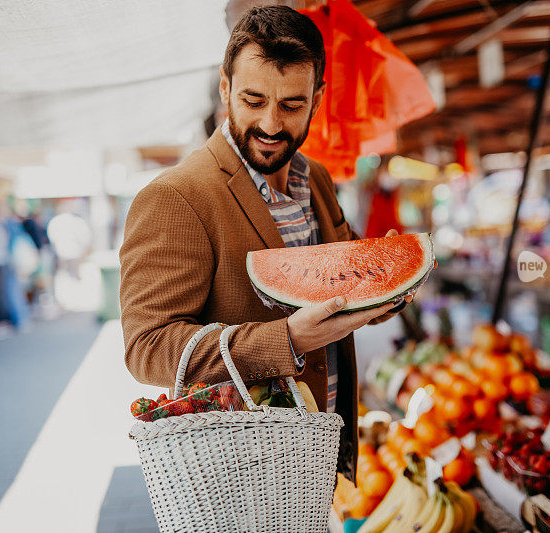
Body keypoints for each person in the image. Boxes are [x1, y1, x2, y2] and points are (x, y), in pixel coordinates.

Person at [119, 5, 419, 481]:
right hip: (242, 474)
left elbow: (347, 287)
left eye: (292, 105)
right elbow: (148, 348)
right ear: (225, 88)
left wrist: (391, 286)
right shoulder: (175, 197)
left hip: (326, 457)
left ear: (318, 98)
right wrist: (288, 340)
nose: (272, 125)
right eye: (253, 101)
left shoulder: (315, 178)